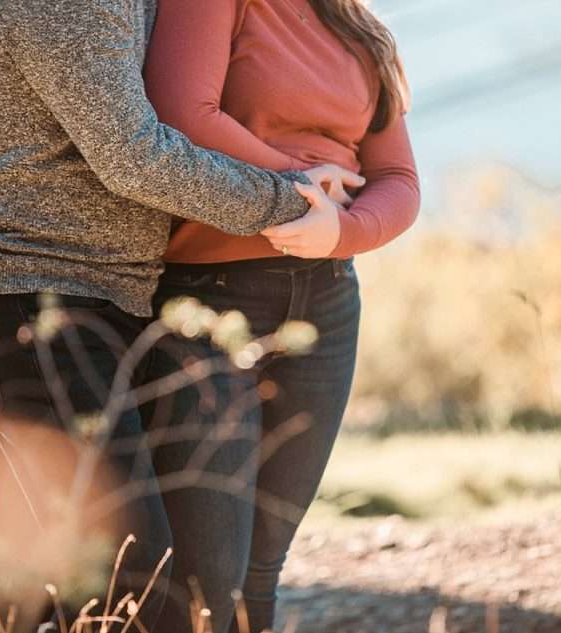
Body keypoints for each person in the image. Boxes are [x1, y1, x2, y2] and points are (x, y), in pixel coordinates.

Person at [0, 0, 361, 631]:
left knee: (12, 584)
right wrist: (288, 199)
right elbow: (131, 155)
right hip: (34, 301)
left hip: (108, 298)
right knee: (134, 584)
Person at [140, 1, 421, 631]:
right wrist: (301, 181)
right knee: (208, 573)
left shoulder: (358, 25)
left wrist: (341, 233)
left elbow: (398, 178)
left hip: (327, 300)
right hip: (212, 295)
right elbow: (184, 115)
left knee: (262, 568)